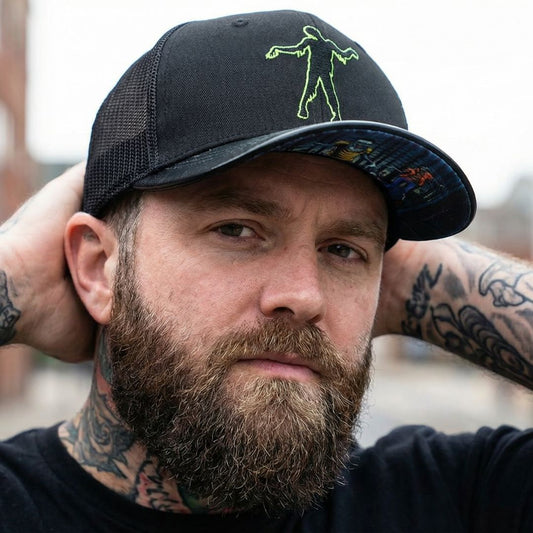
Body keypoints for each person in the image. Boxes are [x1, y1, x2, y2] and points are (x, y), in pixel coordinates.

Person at [0, 9, 532, 532]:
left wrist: (413, 275)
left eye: (343, 250)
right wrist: (17, 273)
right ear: (99, 266)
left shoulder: (451, 500)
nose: (304, 296)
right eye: (236, 229)